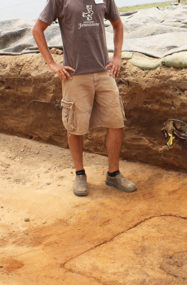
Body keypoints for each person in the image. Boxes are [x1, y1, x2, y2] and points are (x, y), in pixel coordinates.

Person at [32, 0, 136, 196]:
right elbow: (37, 29)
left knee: (116, 122)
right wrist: (52, 64)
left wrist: (117, 56)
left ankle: (113, 174)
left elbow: (118, 24)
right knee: (75, 126)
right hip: (75, 76)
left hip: (104, 73)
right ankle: (80, 174)